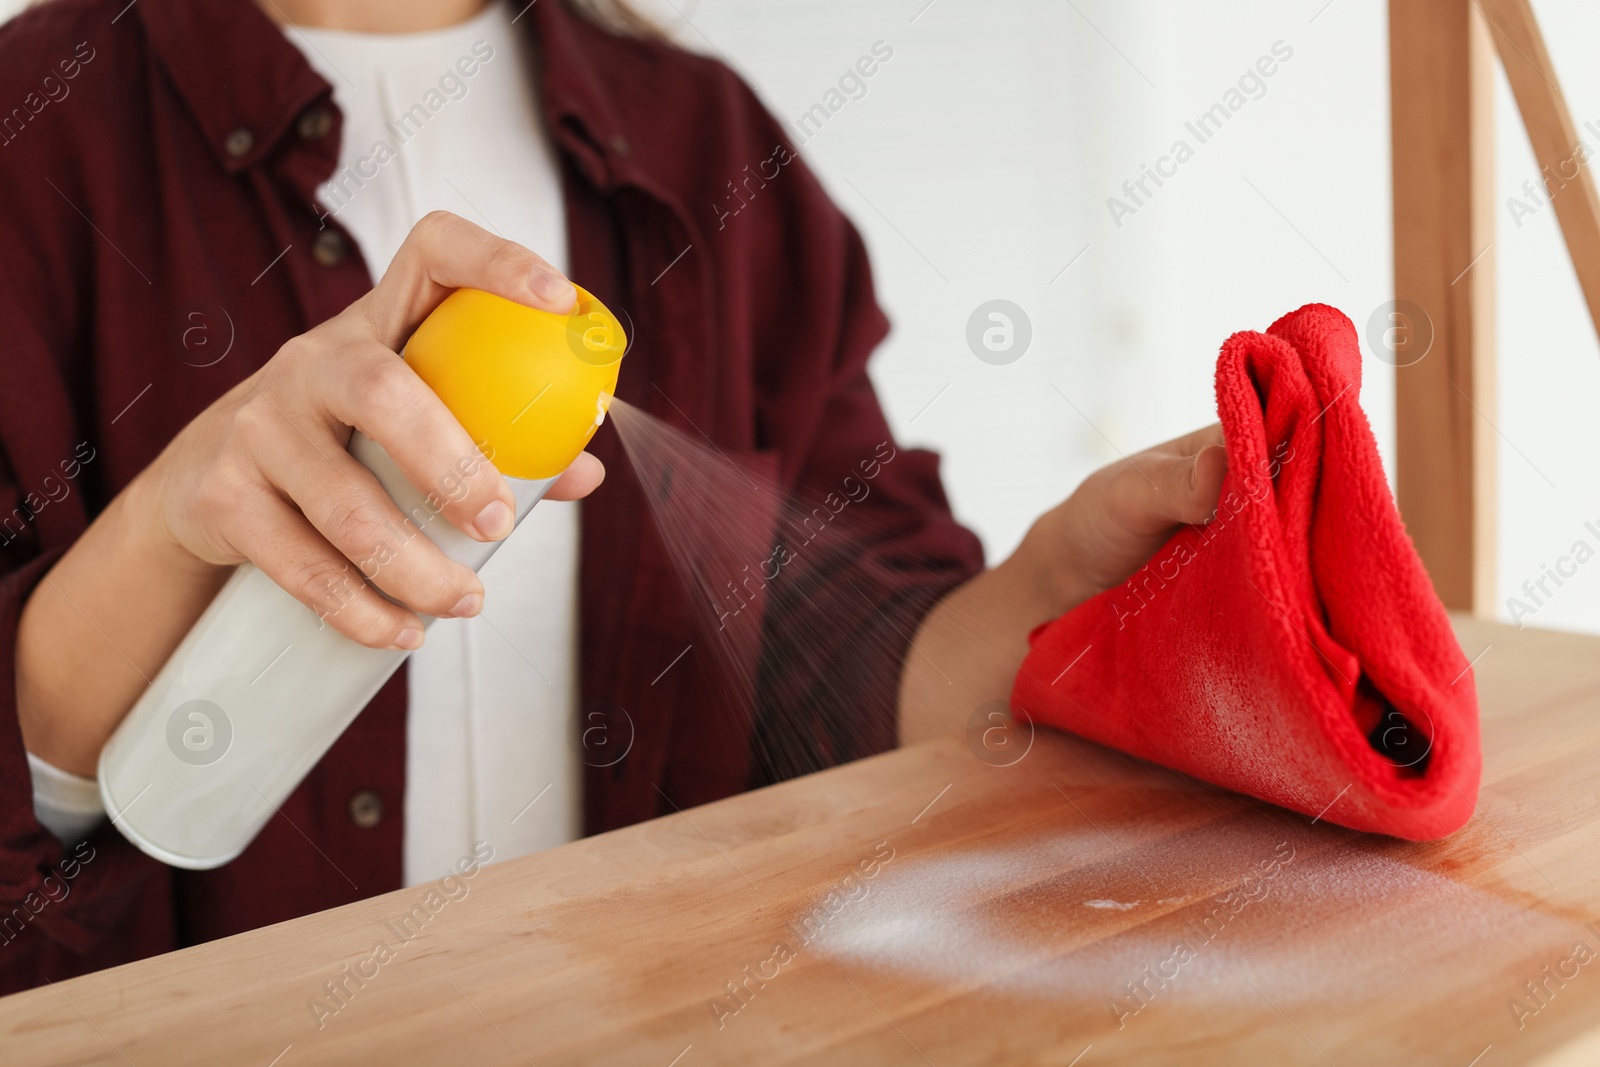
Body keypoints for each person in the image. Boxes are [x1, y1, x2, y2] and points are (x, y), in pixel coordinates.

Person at [0, 0, 1226, 991]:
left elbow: (847, 671)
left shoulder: (709, 147)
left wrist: (1050, 598)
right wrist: (170, 522)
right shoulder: (37, 126)